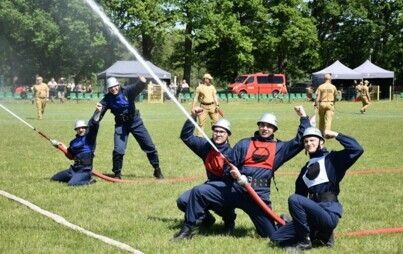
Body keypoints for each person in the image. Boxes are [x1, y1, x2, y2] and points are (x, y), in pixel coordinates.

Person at [172, 106, 310, 241]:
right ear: (258, 126)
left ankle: (284, 222)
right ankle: (187, 229)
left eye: (269, 126)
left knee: (270, 235)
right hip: (236, 189)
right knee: (199, 191)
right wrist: (232, 173)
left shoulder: (279, 148)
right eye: (262, 125)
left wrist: (303, 117)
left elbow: (299, 141)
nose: (265, 128)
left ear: (274, 129)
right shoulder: (244, 143)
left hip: (258, 194)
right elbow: (228, 165)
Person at [270, 127, 364, 251]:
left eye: (312, 140)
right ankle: (322, 235)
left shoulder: (333, 159)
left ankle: (305, 242)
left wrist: (336, 134)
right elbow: (300, 201)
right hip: (313, 216)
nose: (309, 144)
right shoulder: (305, 170)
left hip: (328, 213)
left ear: (321, 141)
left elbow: (357, 149)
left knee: (294, 199)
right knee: (276, 238)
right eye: (306, 141)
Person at [174, 109, 236, 239]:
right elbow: (186, 136)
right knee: (183, 201)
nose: (218, 134)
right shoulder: (205, 146)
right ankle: (206, 218)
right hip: (207, 187)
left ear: (228, 134)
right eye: (216, 131)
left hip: (224, 191)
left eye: (222, 132)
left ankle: (229, 223)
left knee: (226, 205)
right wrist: (193, 116)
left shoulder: (233, 153)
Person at [98, 76, 164, 180]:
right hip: (121, 125)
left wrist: (142, 82)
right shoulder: (107, 99)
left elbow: (137, 87)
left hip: (135, 122)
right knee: (118, 150)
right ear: (108, 89)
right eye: (111, 87)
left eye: (115, 86)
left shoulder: (127, 91)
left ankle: (157, 169)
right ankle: (117, 174)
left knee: (149, 146)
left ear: (118, 85)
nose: (114, 89)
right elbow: (98, 115)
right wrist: (97, 112)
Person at [50, 103, 103, 186]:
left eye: (82, 128)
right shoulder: (73, 142)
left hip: (85, 170)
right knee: (54, 179)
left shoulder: (89, 138)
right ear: (76, 130)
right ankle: (75, 178)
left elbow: (94, 125)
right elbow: (70, 155)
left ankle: (89, 180)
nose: (81, 130)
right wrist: (60, 146)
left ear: (85, 129)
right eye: (78, 128)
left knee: (71, 184)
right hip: (74, 169)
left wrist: (97, 112)